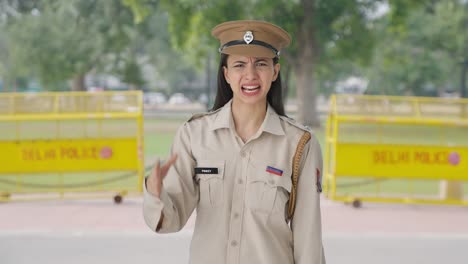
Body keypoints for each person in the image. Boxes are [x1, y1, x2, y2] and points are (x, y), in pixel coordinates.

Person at [143, 20, 325, 264]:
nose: (250, 75)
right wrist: (156, 192)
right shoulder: (194, 135)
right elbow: (170, 221)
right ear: (226, 74)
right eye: (239, 65)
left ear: (275, 71)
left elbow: (308, 236)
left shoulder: (300, 144)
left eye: (260, 64)